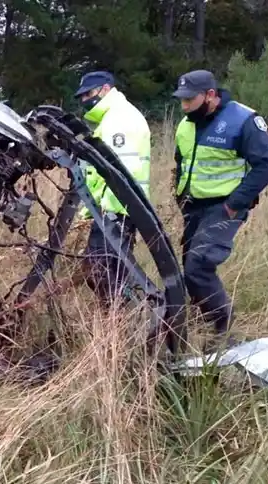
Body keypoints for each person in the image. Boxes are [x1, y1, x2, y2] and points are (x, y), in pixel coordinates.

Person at [171, 69, 268, 347]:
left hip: (224, 207)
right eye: (181, 100)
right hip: (193, 205)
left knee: (199, 265)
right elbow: (182, 161)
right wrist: (179, 193)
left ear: (210, 95)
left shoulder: (243, 120)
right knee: (187, 265)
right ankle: (198, 321)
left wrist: (235, 204)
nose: (184, 106)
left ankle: (224, 329)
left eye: (189, 100)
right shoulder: (187, 123)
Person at [73, 71, 152, 307]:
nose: (85, 100)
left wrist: (104, 209)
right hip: (113, 209)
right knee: (110, 269)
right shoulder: (112, 119)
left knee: (100, 269)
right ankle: (117, 315)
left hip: (116, 210)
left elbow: (120, 173)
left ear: (105, 89)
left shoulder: (121, 121)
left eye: (89, 93)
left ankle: (129, 310)